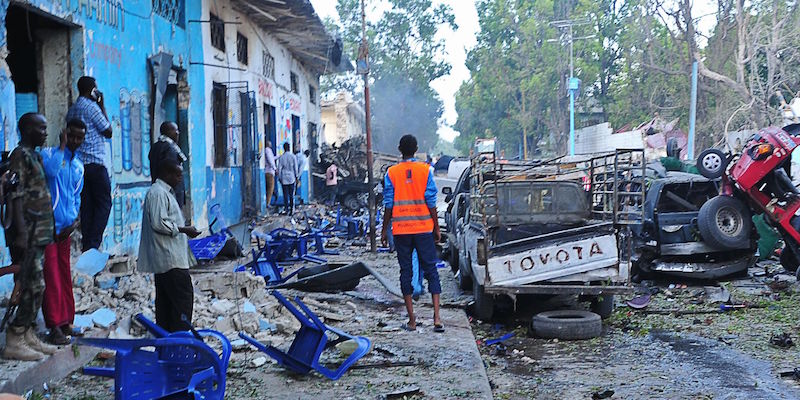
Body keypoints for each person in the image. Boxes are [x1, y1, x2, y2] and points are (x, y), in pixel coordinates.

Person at [2, 113, 59, 360]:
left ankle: (26, 334)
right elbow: (15, 195)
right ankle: (15, 337)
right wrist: (23, 233)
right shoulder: (20, 156)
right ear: (27, 130)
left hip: (40, 232)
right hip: (28, 232)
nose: (46, 133)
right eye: (41, 128)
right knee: (32, 284)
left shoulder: (34, 155)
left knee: (35, 285)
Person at [380, 134, 443, 333]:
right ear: (416, 149)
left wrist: (384, 229)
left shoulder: (391, 173)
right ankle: (437, 318)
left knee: (405, 272)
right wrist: (436, 226)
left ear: (400, 150)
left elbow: (388, 204)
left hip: (401, 231)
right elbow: (431, 201)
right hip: (424, 229)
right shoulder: (426, 171)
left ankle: (412, 320)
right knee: (431, 270)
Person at [138, 161, 201, 332]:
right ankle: (178, 342)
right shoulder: (158, 193)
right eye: (178, 174)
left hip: (169, 259)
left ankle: (168, 345)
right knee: (182, 301)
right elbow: (159, 223)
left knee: (167, 305)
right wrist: (183, 229)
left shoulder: (164, 193)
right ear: (166, 173)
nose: (180, 178)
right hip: (170, 259)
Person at [40, 119, 86, 345]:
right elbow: (50, 172)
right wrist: (61, 146)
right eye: (72, 136)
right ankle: (54, 325)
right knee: (52, 277)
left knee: (65, 275)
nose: (76, 141)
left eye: (80, 137)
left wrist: (73, 222)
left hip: (65, 230)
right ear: (65, 133)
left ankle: (67, 320)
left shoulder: (79, 166)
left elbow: (76, 196)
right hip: (47, 228)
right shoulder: (50, 154)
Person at [66, 76, 112, 252]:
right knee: (104, 204)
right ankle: (93, 245)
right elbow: (108, 131)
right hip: (95, 163)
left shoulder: (72, 110)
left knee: (87, 206)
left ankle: (87, 244)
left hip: (79, 165)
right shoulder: (92, 108)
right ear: (93, 90)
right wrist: (102, 105)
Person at [149, 121, 187, 207]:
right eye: (175, 130)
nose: (178, 133)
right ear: (168, 132)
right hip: (170, 194)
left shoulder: (156, 146)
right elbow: (170, 170)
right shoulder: (169, 148)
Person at [276, 142, 299, 215]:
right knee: (291, 194)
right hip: (291, 177)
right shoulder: (293, 156)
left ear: (284, 148)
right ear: (289, 148)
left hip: (284, 178)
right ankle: (292, 209)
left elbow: (279, 168)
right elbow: (295, 168)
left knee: (285, 195)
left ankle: (286, 209)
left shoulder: (282, 157)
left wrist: (279, 178)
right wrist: (296, 176)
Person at [264, 140, 277, 210]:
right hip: (269, 172)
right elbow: (270, 160)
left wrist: (278, 156)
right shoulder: (268, 150)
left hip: (267, 171)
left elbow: (272, 159)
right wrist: (275, 169)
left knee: (269, 188)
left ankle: (267, 202)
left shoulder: (267, 151)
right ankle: (267, 203)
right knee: (270, 189)